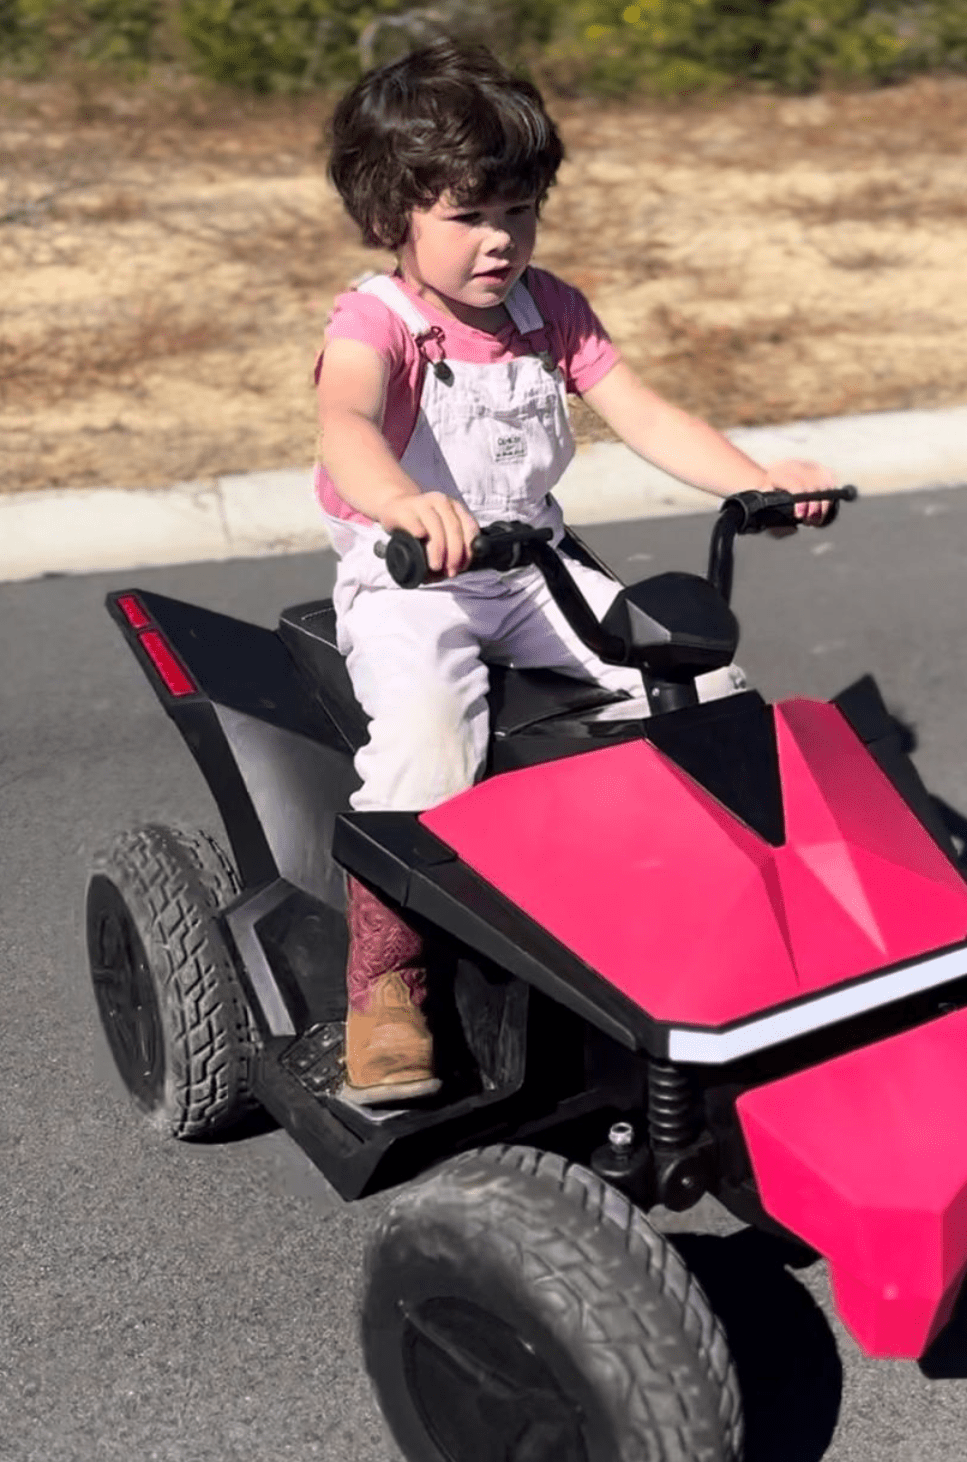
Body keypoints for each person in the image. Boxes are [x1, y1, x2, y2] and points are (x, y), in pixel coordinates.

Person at [315, 36, 842, 1106]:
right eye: (466, 216)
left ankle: (749, 923)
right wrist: (404, 503)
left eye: (518, 212)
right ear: (390, 220)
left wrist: (753, 482)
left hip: (533, 568)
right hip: (415, 576)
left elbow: (641, 410)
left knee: (697, 689)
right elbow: (346, 422)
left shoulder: (549, 308)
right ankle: (385, 988)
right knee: (426, 745)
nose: (499, 240)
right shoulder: (380, 321)